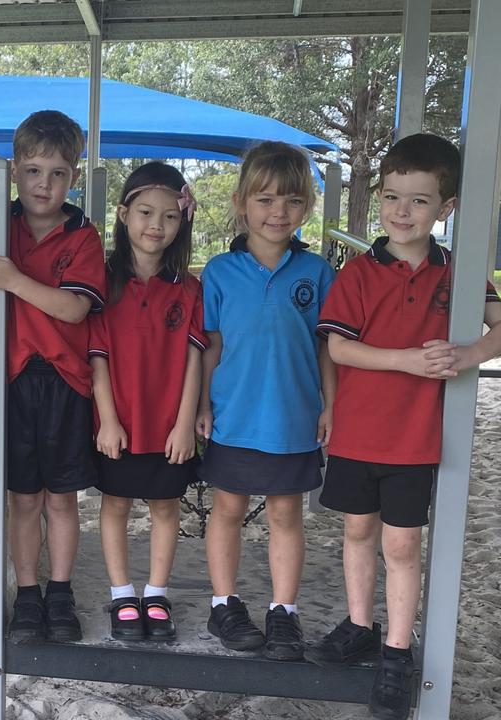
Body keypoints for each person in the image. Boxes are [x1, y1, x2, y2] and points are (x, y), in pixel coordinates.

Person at [311, 133, 501, 720]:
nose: (401, 211)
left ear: (445, 209)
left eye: (419, 201)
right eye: (393, 197)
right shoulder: (361, 273)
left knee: (402, 543)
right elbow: (339, 349)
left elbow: (499, 325)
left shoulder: (460, 276)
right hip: (356, 434)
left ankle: (397, 647)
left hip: (415, 441)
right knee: (357, 533)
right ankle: (361, 625)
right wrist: (408, 360)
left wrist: (471, 354)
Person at [0, 110, 106, 644]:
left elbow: (74, 311)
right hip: (11, 380)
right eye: (35, 171)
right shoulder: (2, 221)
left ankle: (59, 592)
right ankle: (29, 595)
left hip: (64, 381)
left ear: (74, 176)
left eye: (58, 173)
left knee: (62, 499)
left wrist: (15, 280)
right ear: (16, 171)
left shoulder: (83, 236)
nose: (45, 184)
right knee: (23, 499)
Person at [197, 141, 335, 661]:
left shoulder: (317, 272)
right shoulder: (219, 271)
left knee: (285, 514)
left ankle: (284, 611)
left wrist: (329, 405)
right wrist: (202, 405)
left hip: (293, 416)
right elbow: (211, 344)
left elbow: (328, 347)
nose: (279, 212)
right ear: (241, 203)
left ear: (307, 208)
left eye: (293, 201)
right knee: (227, 509)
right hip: (233, 414)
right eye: (266, 200)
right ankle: (224, 604)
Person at [88, 162, 205, 642]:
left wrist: (184, 424)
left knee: (164, 507)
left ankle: (156, 592)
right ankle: (122, 594)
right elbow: (97, 359)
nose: (156, 225)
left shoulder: (190, 288)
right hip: (118, 420)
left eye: (170, 216)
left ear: (183, 221)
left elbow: (195, 360)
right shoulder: (103, 280)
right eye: (144, 212)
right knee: (115, 504)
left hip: (167, 422)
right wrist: (108, 420)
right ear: (123, 214)